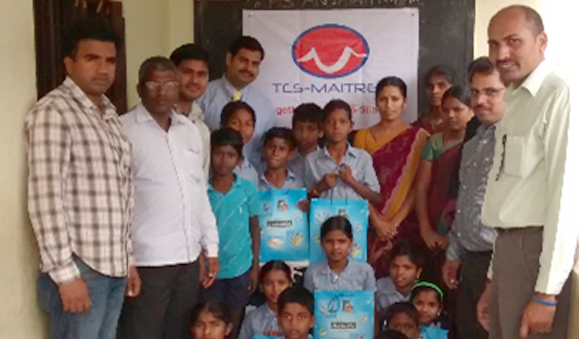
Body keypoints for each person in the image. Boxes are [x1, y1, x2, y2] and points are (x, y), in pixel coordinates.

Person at [25, 17, 140, 339]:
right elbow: (45, 200)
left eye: (110, 60)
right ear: (69, 63)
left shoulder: (110, 116)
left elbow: (123, 195)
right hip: (80, 269)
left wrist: (128, 261)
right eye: (92, 59)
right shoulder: (54, 113)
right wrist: (65, 275)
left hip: (113, 266)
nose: (103, 69)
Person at [477, 5, 575, 339]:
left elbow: (566, 201)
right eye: (493, 44)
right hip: (506, 250)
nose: (501, 54)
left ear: (541, 41)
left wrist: (546, 293)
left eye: (513, 41)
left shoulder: (560, 96)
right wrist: (493, 278)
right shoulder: (517, 98)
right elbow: (508, 193)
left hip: (534, 253)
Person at [119, 57, 220, 339]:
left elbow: (198, 192)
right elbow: (117, 203)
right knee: (143, 333)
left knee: (178, 332)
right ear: (140, 89)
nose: (162, 92)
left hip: (187, 260)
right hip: (147, 262)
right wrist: (127, 261)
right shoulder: (122, 131)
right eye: (153, 84)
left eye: (170, 84)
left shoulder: (190, 131)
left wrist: (209, 246)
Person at [441, 57, 505, 339]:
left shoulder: (517, 143)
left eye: (491, 92)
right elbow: (464, 204)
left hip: (501, 262)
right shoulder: (473, 145)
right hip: (469, 260)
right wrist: (454, 253)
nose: (480, 100)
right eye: (475, 91)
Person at [353, 77, 430, 277]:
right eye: (383, 99)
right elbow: (355, 184)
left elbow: (417, 185)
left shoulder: (419, 137)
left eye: (395, 99)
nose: (389, 105)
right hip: (369, 221)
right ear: (376, 102)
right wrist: (378, 222)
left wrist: (393, 224)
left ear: (405, 103)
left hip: (404, 224)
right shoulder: (363, 137)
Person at [204, 128, 261, 338]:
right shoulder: (203, 190)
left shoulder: (247, 189)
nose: (223, 161)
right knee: (211, 320)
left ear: (239, 159)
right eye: (218, 153)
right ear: (209, 155)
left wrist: (254, 268)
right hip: (211, 271)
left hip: (241, 268)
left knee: (234, 321)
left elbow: (255, 227)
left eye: (230, 155)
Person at [415, 85, 474, 284]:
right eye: (446, 110)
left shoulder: (478, 144)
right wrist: (425, 230)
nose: (450, 115)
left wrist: (454, 235)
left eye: (457, 110)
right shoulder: (434, 142)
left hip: (465, 229)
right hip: (432, 227)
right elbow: (421, 187)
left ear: (471, 110)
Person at [200, 36, 275, 168]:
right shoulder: (203, 96)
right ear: (229, 59)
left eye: (255, 64)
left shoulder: (265, 106)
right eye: (243, 61)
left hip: (250, 182)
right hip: (210, 182)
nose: (248, 68)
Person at [305, 99, 381, 203]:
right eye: (330, 122)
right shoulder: (311, 160)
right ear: (322, 127)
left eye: (343, 121)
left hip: (354, 218)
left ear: (350, 126)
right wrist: (319, 187)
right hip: (324, 218)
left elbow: (376, 198)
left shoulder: (362, 157)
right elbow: (303, 200)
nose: (336, 127)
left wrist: (352, 181)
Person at [170, 43, 212, 178]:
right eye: (187, 72)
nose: (194, 80)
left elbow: (201, 184)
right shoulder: (153, 118)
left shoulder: (202, 130)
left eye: (201, 74)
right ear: (171, 73)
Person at [303, 216, 376, 292]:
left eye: (341, 241)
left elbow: (370, 301)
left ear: (350, 242)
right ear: (321, 243)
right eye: (329, 241)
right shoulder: (312, 273)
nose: (335, 247)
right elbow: (307, 302)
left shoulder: (364, 271)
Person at [239, 260, 293, 339]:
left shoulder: (298, 316)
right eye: (269, 283)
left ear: (290, 285)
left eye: (281, 283)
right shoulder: (253, 319)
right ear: (261, 287)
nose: (275, 289)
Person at [220, 101, 259, 186]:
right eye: (235, 123)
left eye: (248, 124)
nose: (242, 129)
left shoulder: (251, 172)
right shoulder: (212, 163)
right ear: (223, 125)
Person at [376, 242, 423, 312]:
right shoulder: (379, 287)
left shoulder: (423, 292)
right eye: (395, 267)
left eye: (407, 268)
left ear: (418, 272)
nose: (399, 272)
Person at [412, 66, 455, 134]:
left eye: (441, 86)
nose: (434, 91)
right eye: (430, 86)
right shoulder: (419, 126)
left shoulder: (458, 123)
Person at [289, 103, 324, 178]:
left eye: (311, 129)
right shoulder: (285, 160)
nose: (304, 135)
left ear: (321, 132)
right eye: (299, 128)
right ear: (293, 129)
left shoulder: (327, 161)